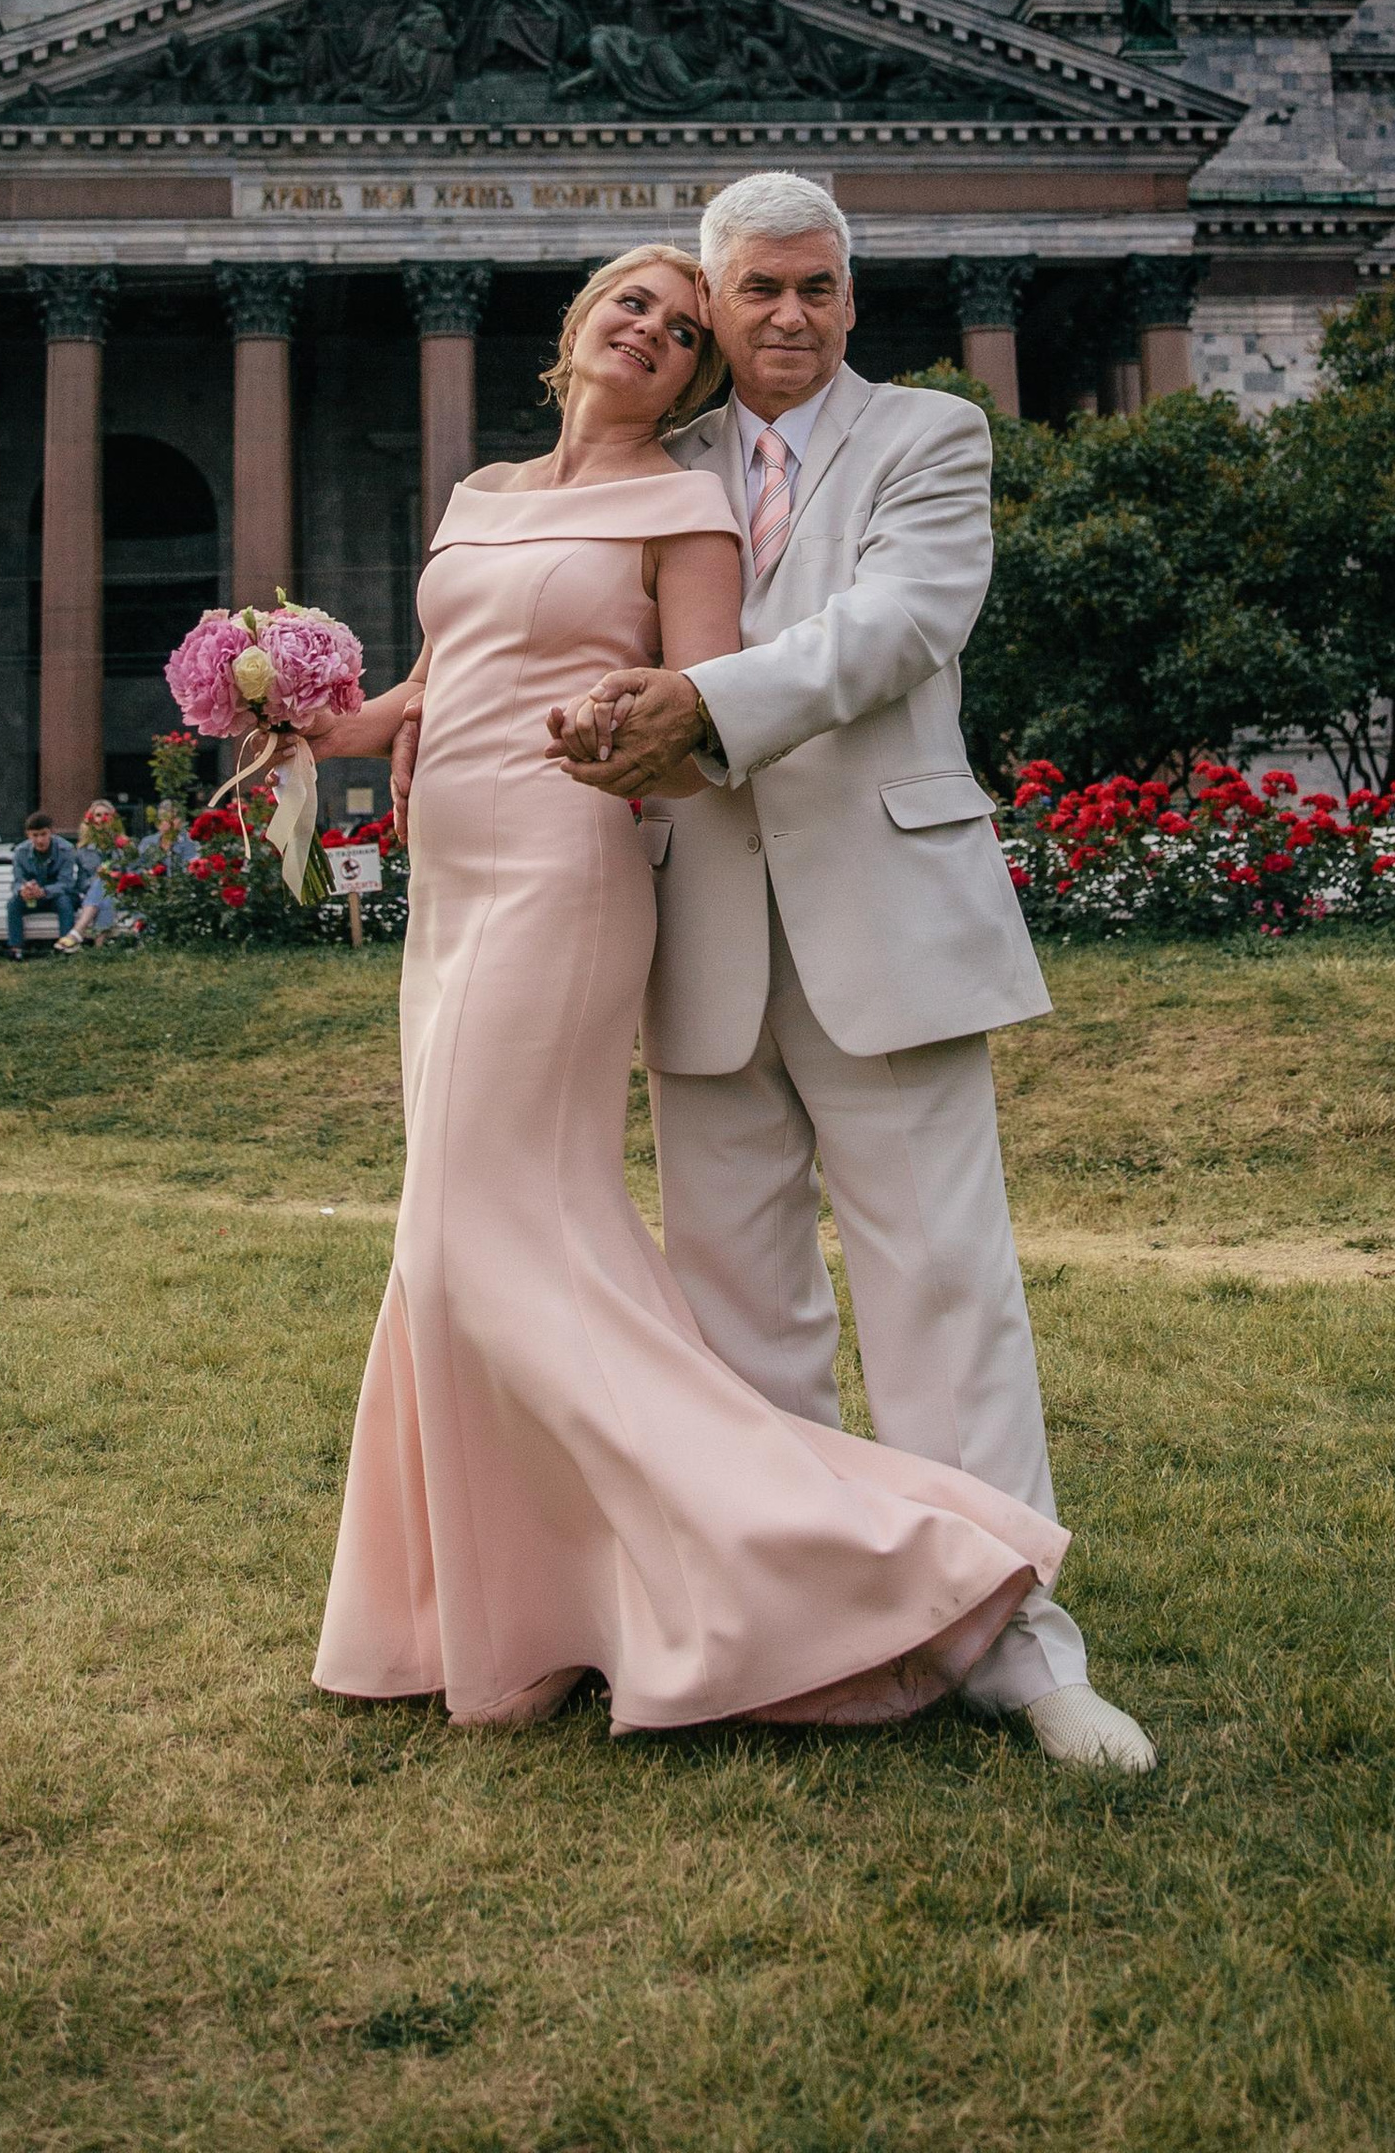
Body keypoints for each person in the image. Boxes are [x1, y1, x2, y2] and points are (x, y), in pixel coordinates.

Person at [303, 244, 1069, 1738]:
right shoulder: (481, 499)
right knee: (454, 1246)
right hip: (452, 896)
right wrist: (312, 714)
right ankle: (508, 1619)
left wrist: (629, 723)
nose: (653, 327)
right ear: (574, 325)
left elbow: (703, 700)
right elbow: (443, 679)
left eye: (679, 319)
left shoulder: (695, 498)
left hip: (564, 880)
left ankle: (890, 1565)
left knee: (489, 1248)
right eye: (630, 302)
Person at [542, 169, 1154, 1775]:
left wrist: (700, 705)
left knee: (946, 1292)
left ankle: (1016, 1645)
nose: (793, 316)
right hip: (701, 934)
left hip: (885, 914)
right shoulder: (656, 468)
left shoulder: (930, 440)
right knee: (740, 1318)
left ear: (852, 299)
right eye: (761, 293)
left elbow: (902, 625)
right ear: (718, 305)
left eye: (818, 288)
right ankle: (799, 1629)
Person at [6, 812, 82, 960]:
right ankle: (16, 949)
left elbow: (66, 883)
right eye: (35, 835)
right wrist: (23, 890)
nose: (40, 840)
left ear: (51, 832)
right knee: (13, 904)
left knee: (64, 903)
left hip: (57, 896)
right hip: (33, 896)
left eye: (43, 834)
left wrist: (45, 891)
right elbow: (17, 881)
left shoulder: (65, 849)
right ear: (28, 835)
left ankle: (66, 946)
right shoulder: (20, 852)